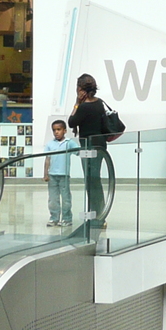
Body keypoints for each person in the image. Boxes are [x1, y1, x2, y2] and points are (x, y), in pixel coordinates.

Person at [68, 73, 113, 236]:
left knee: (90, 180)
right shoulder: (99, 103)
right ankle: (99, 214)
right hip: (100, 146)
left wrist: (76, 104)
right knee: (96, 180)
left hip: (88, 147)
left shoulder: (84, 106)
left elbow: (71, 122)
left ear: (80, 89)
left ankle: (95, 215)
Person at [43, 119, 80, 228]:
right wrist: (46, 174)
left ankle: (67, 218)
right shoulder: (50, 144)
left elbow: (78, 152)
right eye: (54, 130)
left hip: (64, 175)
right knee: (53, 199)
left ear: (64, 130)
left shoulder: (69, 143)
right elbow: (47, 159)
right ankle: (54, 218)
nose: (56, 132)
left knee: (66, 198)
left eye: (59, 130)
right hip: (52, 176)